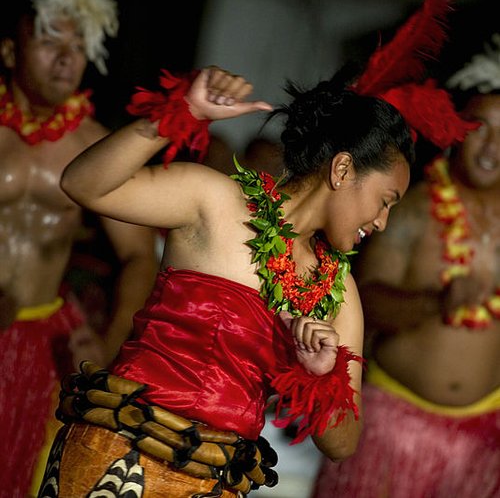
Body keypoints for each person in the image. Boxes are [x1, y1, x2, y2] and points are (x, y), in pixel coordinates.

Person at [35, 54, 416, 496]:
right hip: (118, 453)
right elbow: (83, 184)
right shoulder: (214, 202)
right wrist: (182, 114)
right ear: (343, 169)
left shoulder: (337, 292)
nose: (383, 221)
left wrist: (319, 375)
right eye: (385, 200)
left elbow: (343, 444)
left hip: (216, 482)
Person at [312, 34, 500, 498]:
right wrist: (438, 301)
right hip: (395, 426)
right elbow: (365, 304)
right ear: (458, 129)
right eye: (482, 128)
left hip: (484, 437)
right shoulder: (412, 209)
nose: (493, 147)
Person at [0, 0, 157, 496]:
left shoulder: (95, 148)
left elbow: (139, 255)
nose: (66, 59)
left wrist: (110, 344)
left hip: (45, 341)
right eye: (50, 43)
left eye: (77, 46)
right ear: (10, 50)